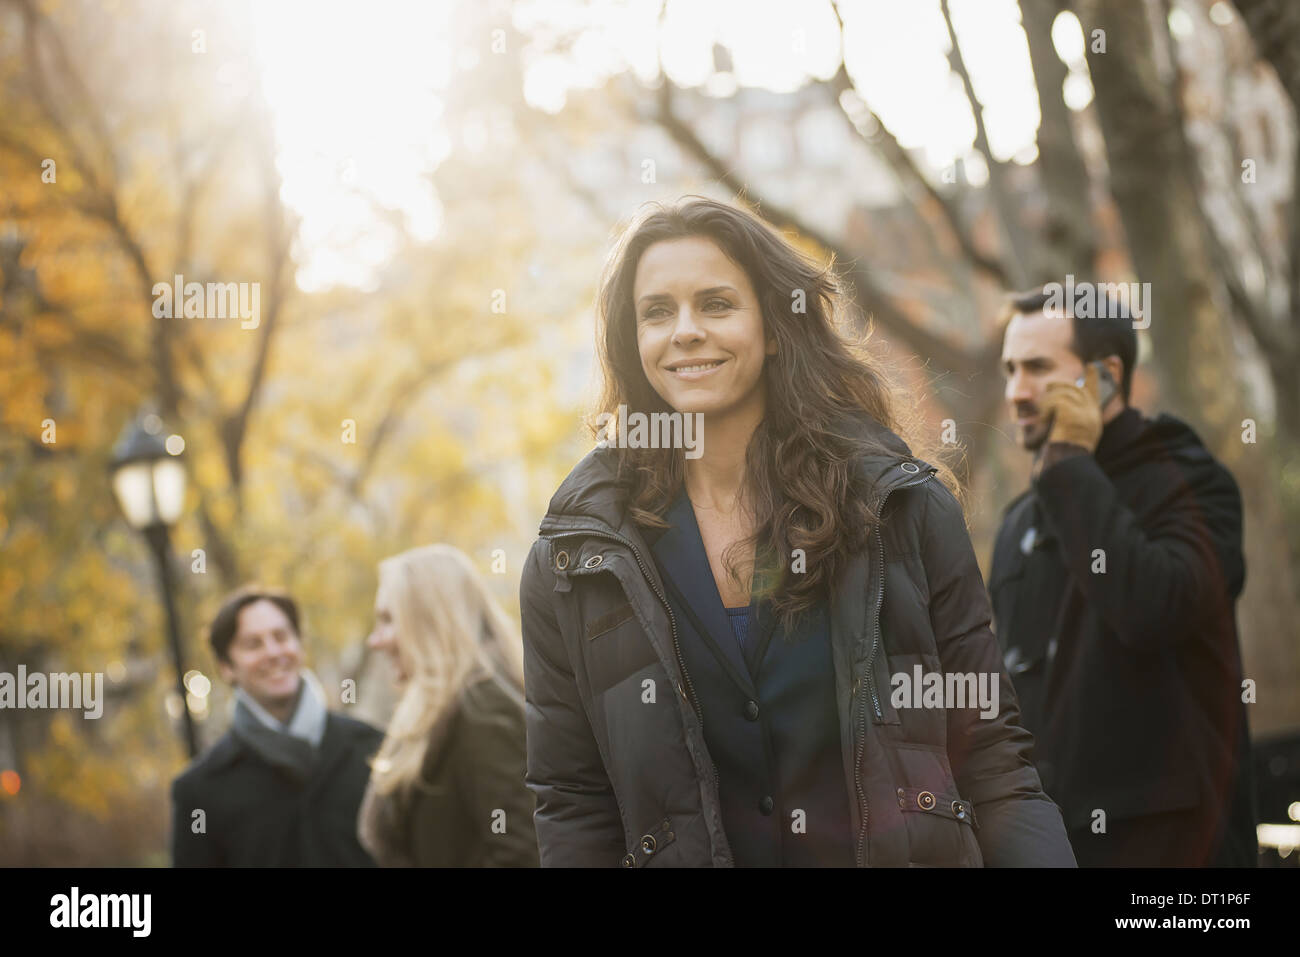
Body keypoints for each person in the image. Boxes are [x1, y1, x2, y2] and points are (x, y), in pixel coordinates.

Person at [519, 196, 1075, 867]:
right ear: (633, 345)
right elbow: (574, 804)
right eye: (657, 311)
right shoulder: (575, 563)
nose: (686, 330)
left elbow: (991, 756)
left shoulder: (901, 508)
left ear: (776, 327)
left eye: (717, 303)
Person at [992, 286, 1258, 866]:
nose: (1015, 392)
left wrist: (1069, 464)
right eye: (1010, 369)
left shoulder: (1191, 484)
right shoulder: (1019, 523)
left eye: (1037, 368)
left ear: (1105, 376)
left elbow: (1152, 608)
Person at [171, 586, 383, 866]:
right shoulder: (199, 791)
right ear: (226, 667)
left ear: (300, 646)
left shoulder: (373, 750)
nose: (272, 652)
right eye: (253, 644)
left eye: (281, 637)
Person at [357, 544, 538, 867]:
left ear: (430, 620)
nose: (375, 640)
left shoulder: (482, 711)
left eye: (388, 620)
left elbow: (522, 854)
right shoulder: (436, 709)